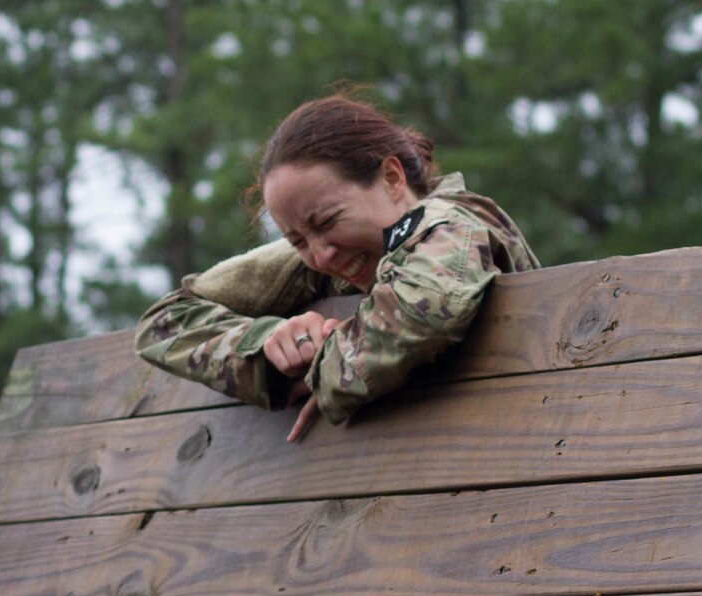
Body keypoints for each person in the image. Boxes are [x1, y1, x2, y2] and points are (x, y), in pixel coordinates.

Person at [135, 93, 540, 441]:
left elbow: (423, 313)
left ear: (391, 177)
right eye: (296, 241)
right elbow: (164, 322)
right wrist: (271, 347)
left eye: (327, 222)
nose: (321, 256)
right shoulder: (320, 255)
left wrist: (318, 366)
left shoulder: (452, 225)